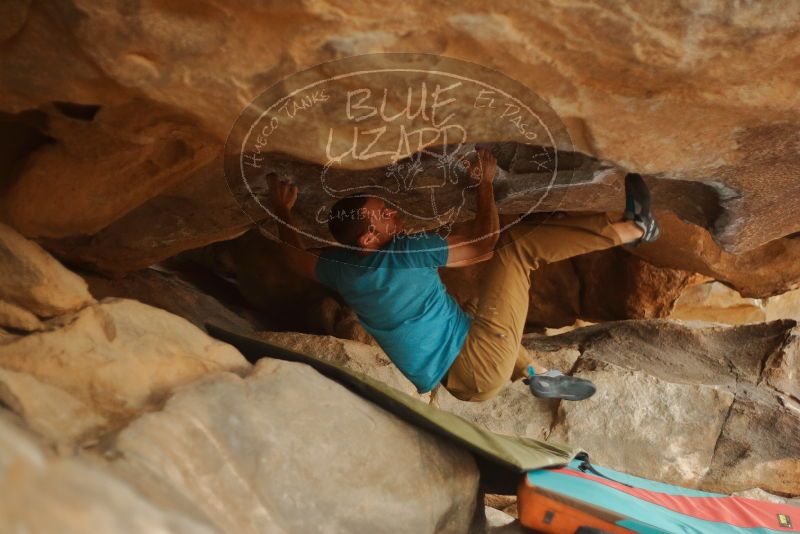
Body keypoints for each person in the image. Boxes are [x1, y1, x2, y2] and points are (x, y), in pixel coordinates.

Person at [267, 148, 660, 402]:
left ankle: (536, 375)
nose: (395, 214)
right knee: (516, 251)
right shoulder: (402, 253)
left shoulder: (341, 268)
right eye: (385, 215)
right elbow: (484, 245)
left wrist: (282, 211)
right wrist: (484, 186)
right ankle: (634, 228)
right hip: (477, 365)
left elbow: (291, 257)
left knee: (477, 304)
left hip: (461, 377)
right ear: (370, 237)